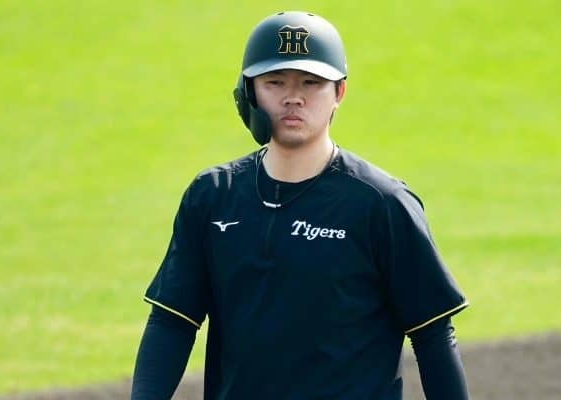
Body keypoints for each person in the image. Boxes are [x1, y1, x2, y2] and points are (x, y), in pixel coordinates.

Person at [132, 11, 470, 399]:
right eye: (275, 82)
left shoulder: (381, 204)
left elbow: (432, 335)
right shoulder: (212, 197)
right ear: (249, 91)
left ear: (339, 93)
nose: (293, 97)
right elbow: (172, 321)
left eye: (311, 82)